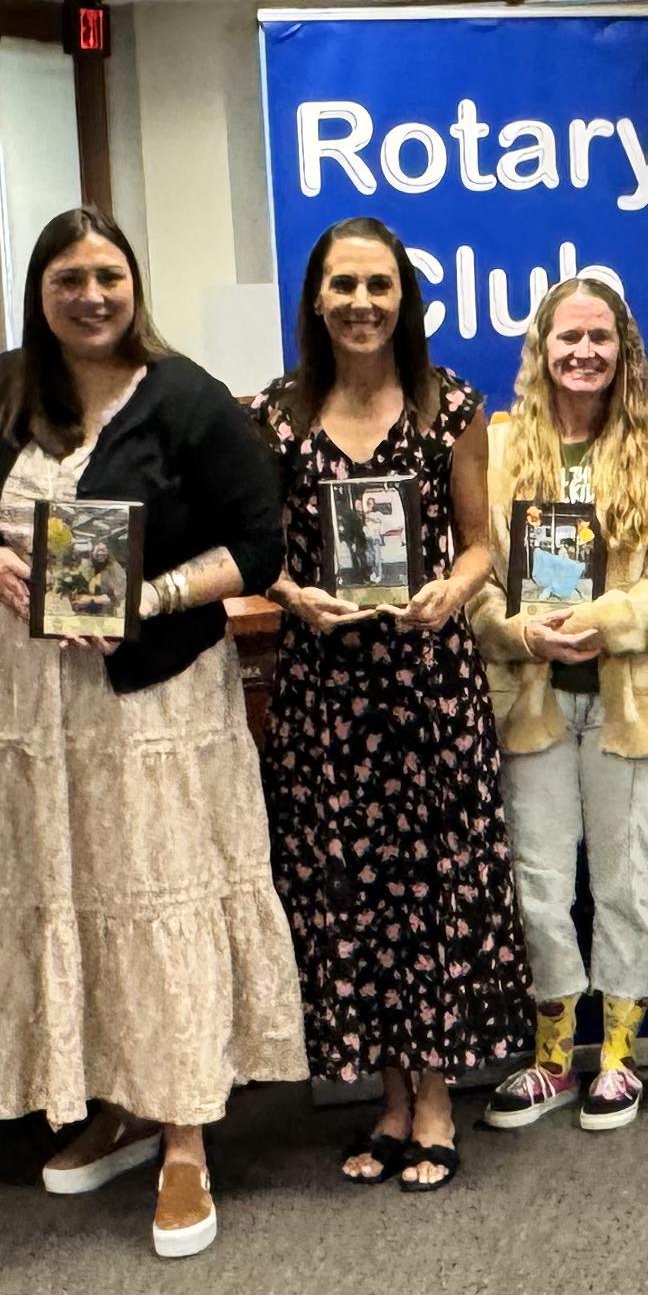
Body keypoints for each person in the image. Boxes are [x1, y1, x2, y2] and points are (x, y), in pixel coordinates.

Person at [0, 208, 302, 1259]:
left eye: (108, 276)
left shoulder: (189, 400)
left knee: (148, 892)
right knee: (65, 895)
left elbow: (260, 546)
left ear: (136, 286)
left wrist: (158, 593)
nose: (91, 296)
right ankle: (113, 1099)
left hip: (147, 702)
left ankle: (184, 1138)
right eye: (68, 279)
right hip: (21, 704)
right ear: (40, 293)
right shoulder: (1, 391)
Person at [248, 216, 526, 1193]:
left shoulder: (452, 406)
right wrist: (290, 593)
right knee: (350, 894)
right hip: (327, 695)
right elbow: (258, 552)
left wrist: (456, 589)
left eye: (379, 285)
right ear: (316, 299)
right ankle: (387, 1099)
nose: (362, 303)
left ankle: (437, 1096)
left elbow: (482, 542)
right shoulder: (276, 413)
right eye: (343, 285)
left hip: (427, 686)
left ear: (404, 298)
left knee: (434, 888)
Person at [473, 273, 648, 1135]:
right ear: (541, 349)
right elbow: (468, 577)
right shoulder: (499, 450)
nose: (584, 353)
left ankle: (617, 1054)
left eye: (600, 338)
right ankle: (551, 1054)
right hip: (530, 699)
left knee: (624, 883)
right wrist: (519, 633)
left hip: (636, 700)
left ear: (625, 351)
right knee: (538, 884)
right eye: (567, 338)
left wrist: (608, 619)